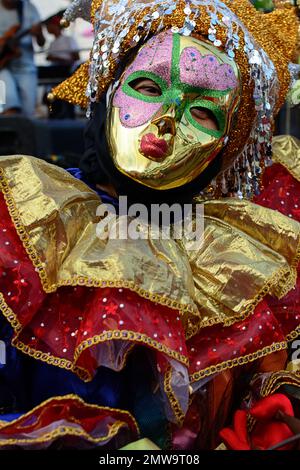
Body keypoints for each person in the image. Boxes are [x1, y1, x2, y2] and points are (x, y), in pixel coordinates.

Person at [0, 0, 300, 450]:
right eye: (147, 85)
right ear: (108, 91)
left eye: (204, 112)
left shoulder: (241, 262)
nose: (166, 120)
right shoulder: (28, 222)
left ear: (227, 145)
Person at [0, 0, 45, 117]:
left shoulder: (29, 8)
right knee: (10, 107)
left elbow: (41, 42)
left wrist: (39, 33)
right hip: (2, 68)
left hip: (27, 68)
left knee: (28, 113)